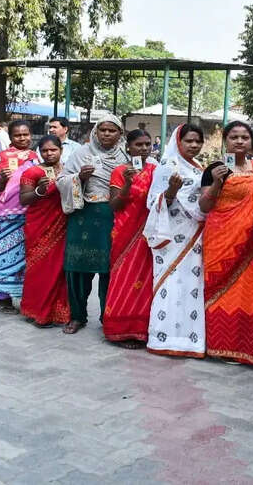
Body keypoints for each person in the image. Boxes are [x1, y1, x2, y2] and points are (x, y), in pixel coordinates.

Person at [199, 121, 253, 365]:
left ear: (251, 142)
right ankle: (218, 345)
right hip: (221, 239)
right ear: (225, 141)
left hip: (252, 242)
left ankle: (246, 347)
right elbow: (204, 206)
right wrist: (217, 183)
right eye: (234, 137)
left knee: (250, 294)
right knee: (218, 290)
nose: (239, 141)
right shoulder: (214, 168)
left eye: (244, 137)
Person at [56, 116, 130, 334]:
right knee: (78, 268)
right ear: (96, 132)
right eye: (102, 130)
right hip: (84, 216)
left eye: (112, 130)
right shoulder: (82, 153)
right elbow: (62, 180)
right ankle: (77, 316)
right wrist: (79, 177)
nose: (106, 134)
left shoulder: (126, 156)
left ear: (120, 134)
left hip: (114, 216)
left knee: (110, 269)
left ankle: (108, 317)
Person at [143, 124, 207, 358]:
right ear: (178, 142)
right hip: (171, 238)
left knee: (192, 286)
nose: (194, 145)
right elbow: (153, 203)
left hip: (195, 235)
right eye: (189, 141)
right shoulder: (167, 166)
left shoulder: (199, 167)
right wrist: (171, 191)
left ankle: (191, 341)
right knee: (169, 284)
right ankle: (163, 337)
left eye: (198, 141)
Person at [104, 129, 157, 347]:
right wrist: (127, 183)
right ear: (129, 147)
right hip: (125, 232)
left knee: (145, 281)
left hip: (148, 233)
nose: (143, 149)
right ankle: (120, 329)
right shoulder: (120, 171)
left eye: (147, 144)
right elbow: (114, 204)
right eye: (138, 145)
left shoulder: (156, 170)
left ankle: (141, 329)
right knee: (124, 278)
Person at [19, 135, 71, 328]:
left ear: (61, 150)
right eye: (45, 151)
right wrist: (40, 190)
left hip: (63, 224)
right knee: (39, 269)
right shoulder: (33, 171)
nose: (49, 154)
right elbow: (24, 199)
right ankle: (37, 311)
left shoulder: (68, 170)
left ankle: (58, 312)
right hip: (39, 225)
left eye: (53, 150)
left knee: (59, 270)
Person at [0, 120, 38, 312]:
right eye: (17, 135)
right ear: (11, 137)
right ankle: (3, 298)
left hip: (28, 214)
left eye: (25, 134)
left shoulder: (36, 157)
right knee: (2, 257)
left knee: (23, 259)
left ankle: (22, 296)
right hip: (4, 217)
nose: (22, 138)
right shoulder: (0, 157)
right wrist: (2, 179)